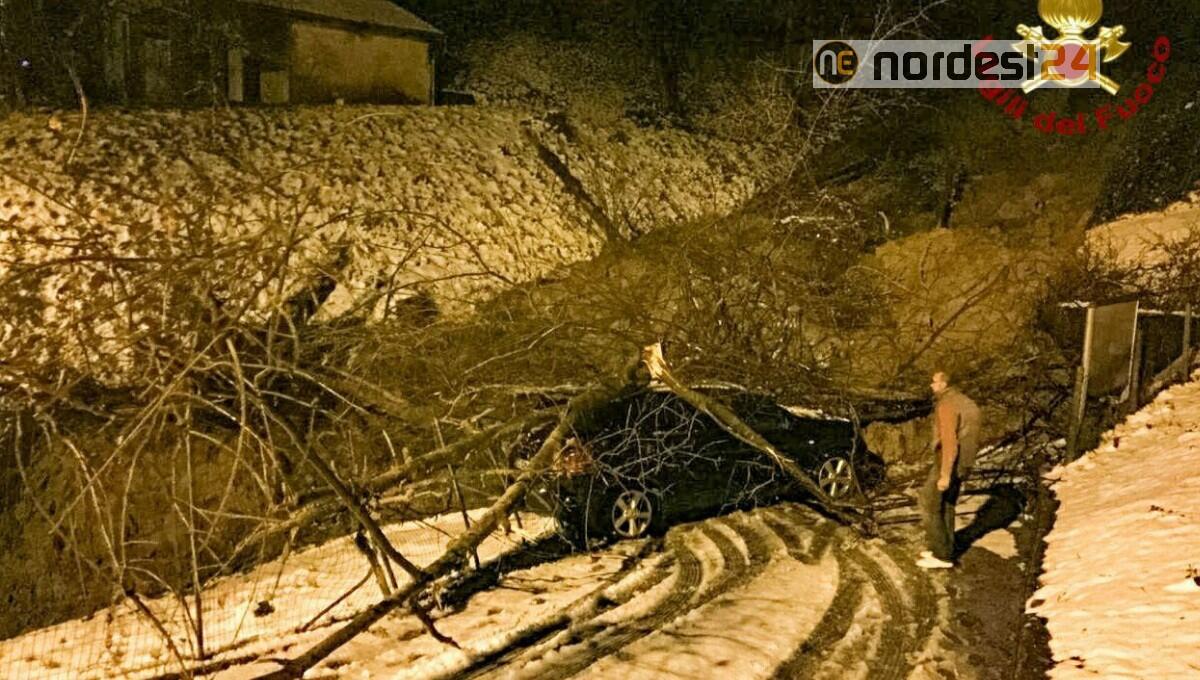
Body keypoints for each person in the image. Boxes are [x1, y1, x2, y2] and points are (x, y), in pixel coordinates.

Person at [917, 370, 981, 569]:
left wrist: (945, 474)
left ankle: (941, 555)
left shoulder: (947, 405)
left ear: (944, 384)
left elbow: (949, 442)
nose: (931, 385)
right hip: (963, 461)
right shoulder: (967, 401)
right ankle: (946, 548)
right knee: (947, 504)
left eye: (934, 382)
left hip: (947, 460)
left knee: (928, 503)